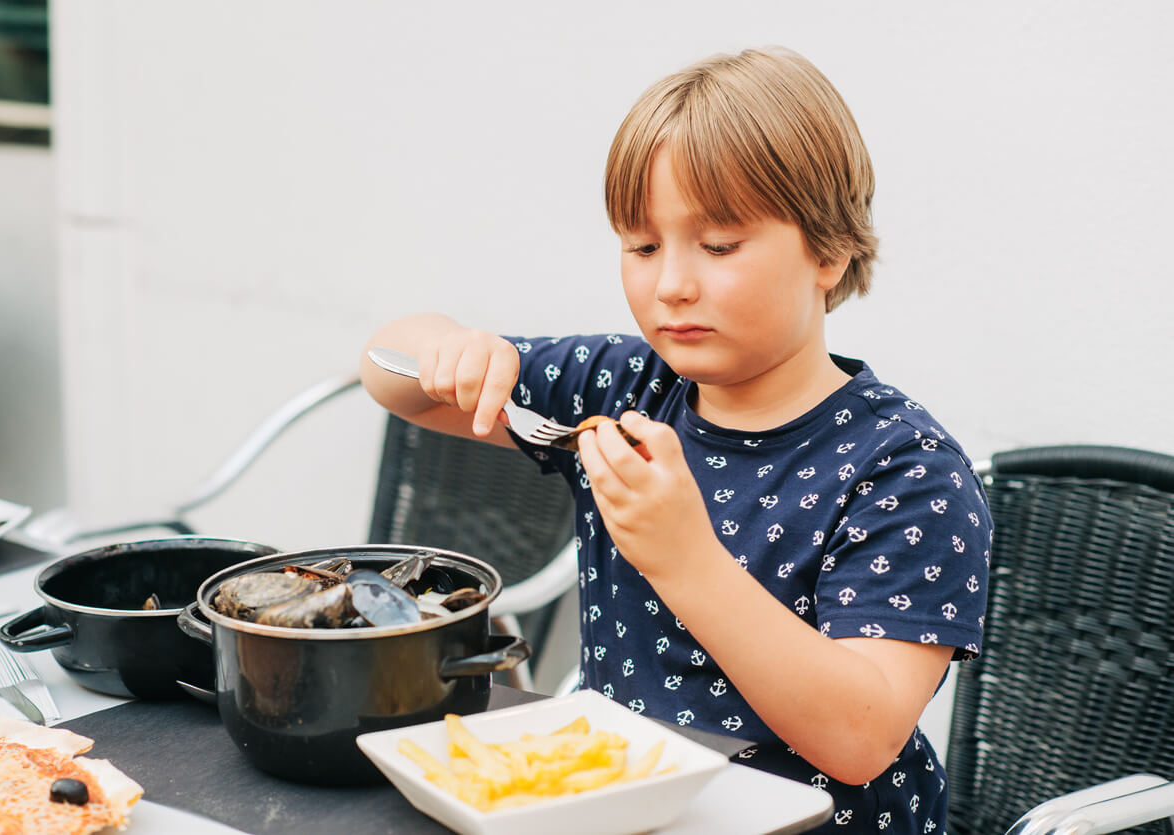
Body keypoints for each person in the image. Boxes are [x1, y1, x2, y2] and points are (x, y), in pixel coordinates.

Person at [360, 46, 991, 833]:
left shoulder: (903, 468)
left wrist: (684, 558)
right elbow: (390, 376)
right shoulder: (623, 386)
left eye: (718, 246)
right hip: (621, 812)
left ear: (828, 250)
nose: (670, 285)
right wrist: (454, 346)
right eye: (641, 245)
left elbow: (860, 736)